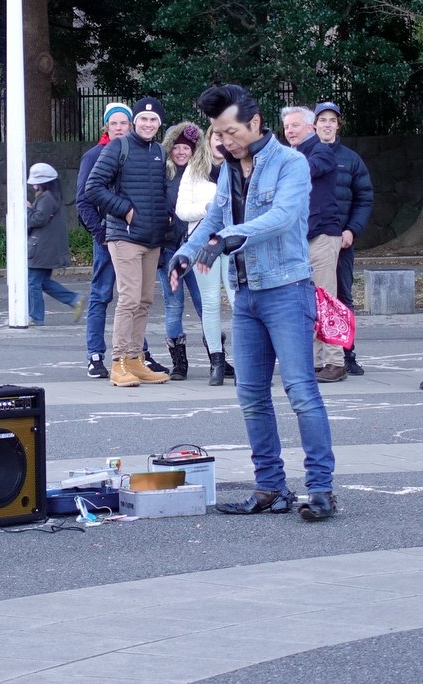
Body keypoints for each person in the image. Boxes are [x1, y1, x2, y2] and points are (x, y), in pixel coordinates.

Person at [169, 84, 338, 521]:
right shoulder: (228, 169)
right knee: (251, 396)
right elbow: (215, 216)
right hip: (245, 295)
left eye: (231, 131)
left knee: (301, 392)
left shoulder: (291, 163)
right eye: (218, 133)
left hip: (287, 290)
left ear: (256, 123)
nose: (224, 141)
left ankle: (321, 490)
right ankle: (270, 489)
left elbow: (282, 217)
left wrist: (228, 238)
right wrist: (187, 252)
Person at [76, 102, 169, 379]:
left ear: (159, 123)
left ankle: (135, 358)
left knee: (144, 300)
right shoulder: (116, 148)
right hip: (123, 236)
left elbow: (163, 190)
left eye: (153, 119)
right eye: (143, 118)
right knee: (127, 299)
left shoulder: (159, 151)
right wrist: (125, 211)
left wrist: (166, 217)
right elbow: (92, 188)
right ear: (135, 122)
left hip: (151, 238)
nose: (148, 124)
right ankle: (118, 362)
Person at [282, 105, 344, 383]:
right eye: (286, 127)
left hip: (322, 237)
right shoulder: (291, 154)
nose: (289, 131)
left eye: (295, 125)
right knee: (307, 303)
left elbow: (310, 169)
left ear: (310, 127)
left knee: (326, 300)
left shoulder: (321, 151)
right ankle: (317, 362)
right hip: (300, 238)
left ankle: (335, 361)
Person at [314, 101, 374, 376]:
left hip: (342, 240)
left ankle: (345, 354)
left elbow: (364, 198)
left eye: (332, 120)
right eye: (322, 120)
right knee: (313, 298)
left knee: (341, 296)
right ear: (314, 125)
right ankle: (317, 357)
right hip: (311, 239)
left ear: (338, 125)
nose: (327, 125)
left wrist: (352, 229)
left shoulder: (351, 159)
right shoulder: (304, 156)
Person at [176, 126, 236, 385]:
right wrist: (208, 209)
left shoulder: (240, 167)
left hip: (234, 244)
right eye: (216, 137)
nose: (220, 142)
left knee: (239, 302)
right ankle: (216, 362)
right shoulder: (194, 169)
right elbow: (181, 210)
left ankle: (247, 361)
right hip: (204, 243)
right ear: (208, 140)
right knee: (210, 304)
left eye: (226, 137)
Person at [158, 122, 204, 380]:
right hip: (169, 249)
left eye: (186, 147)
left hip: (196, 249)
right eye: (176, 147)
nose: (181, 152)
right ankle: (179, 362)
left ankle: (216, 356)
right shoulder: (161, 176)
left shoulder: (202, 174)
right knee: (174, 305)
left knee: (205, 303)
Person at [25, 162, 80, 326]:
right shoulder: (53, 196)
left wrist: (28, 209)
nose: (33, 186)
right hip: (47, 248)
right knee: (42, 282)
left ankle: (36, 317)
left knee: (33, 282)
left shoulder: (46, 198)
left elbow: (39, 219)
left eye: (36, 183)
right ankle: (74, 300)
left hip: (41, 248)